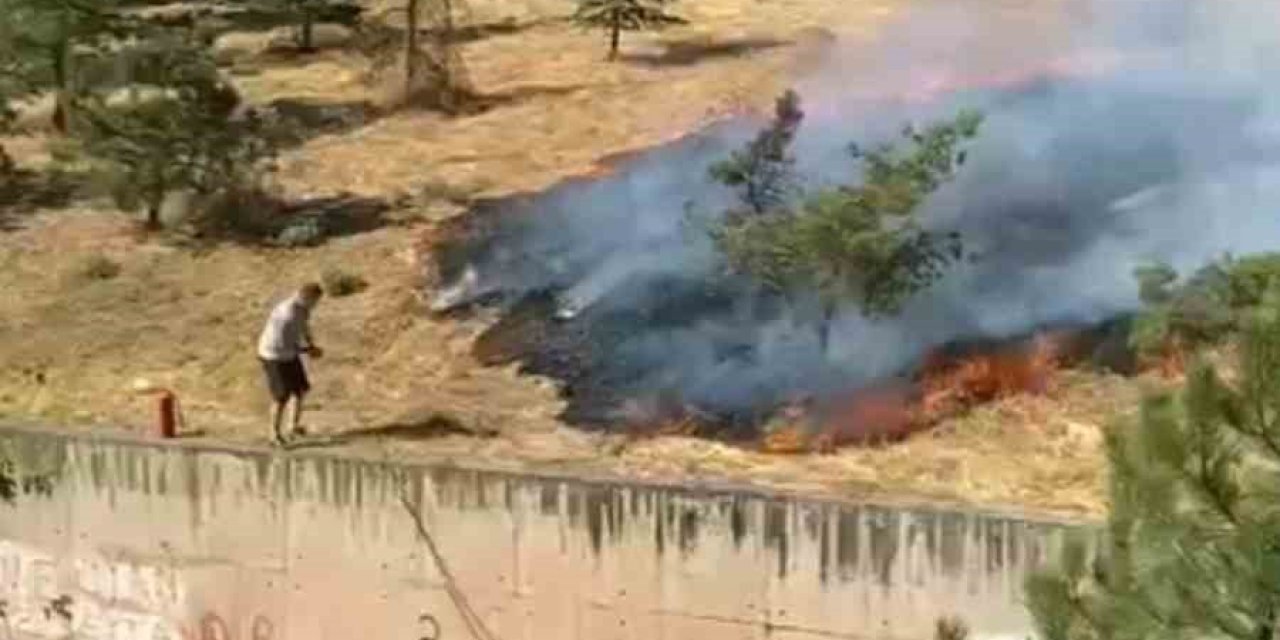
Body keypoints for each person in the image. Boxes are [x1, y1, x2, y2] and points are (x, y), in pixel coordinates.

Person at [257, 282, 325, 446]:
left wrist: (310, 344)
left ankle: (293, 427)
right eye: (315, 301)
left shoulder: (303, 309)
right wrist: (307, 350)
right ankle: (274, 434)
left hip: (289, 353)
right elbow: (280, 342)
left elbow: (304, 327)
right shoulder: (286, 314)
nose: (316, 305)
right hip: (273, 355)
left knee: (299, 389)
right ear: (308, 298)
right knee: (281, 397)